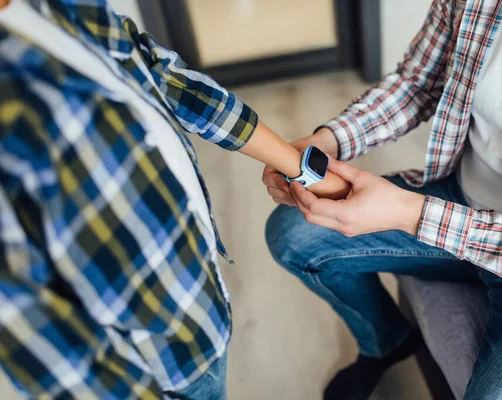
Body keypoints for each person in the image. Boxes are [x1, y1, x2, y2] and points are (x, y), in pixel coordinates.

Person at [0, 0, 349, 399]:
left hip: (196, 292)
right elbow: (34, 334)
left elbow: (169, 79)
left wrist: (301, 169)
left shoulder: (63, 7)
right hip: (153, 362)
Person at [264, 0, 502, 399]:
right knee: (291, 234)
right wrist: (329, 140)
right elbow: (417, 82)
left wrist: (411, 213)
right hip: (461, 199)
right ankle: (386, 342)